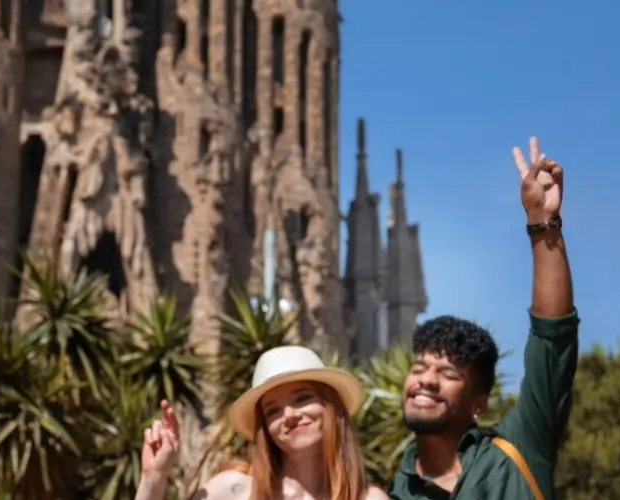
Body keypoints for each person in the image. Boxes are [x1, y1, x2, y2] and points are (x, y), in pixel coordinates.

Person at [387, 136, 578, 500]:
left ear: (479, 403)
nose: (425, 380)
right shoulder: (392, 494)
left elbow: (553, 336)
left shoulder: (517, 452)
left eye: (448, 373)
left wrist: (543, 223)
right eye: (419, 367)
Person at [136, 346, 389, 500]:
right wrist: (154, 478)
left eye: (302, 398)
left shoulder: (369, 499)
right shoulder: (233, 491)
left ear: (331, 407)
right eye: (272, 411)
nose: (289, 415)